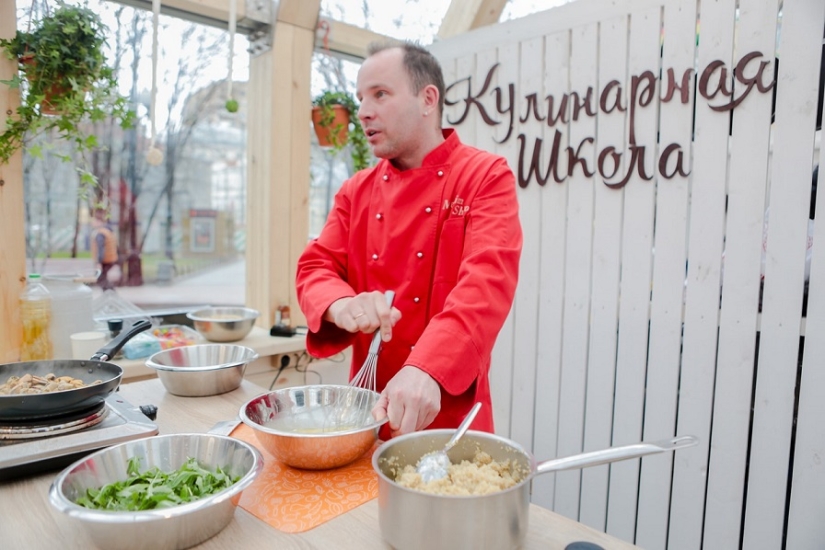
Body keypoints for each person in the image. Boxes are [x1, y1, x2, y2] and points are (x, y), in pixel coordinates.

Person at [295, 41, 523, 439]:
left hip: (448, 413)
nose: (363, 111)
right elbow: (316, 267)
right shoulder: (356, 191)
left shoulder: (484, 176)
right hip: (367, 414)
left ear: (427, 99)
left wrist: (426, 367)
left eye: (380, 94)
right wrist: (342, 304)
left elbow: (486, 284)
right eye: (361, 98)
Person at [90, 209, 119, 291]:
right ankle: (110, 293)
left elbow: (100, 248)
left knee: (100, 278)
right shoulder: (108, 231)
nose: (92, 223)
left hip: (105, 260)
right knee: (102, 278)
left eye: (94, 221)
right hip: (111, 258)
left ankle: (111, 293)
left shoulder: (100, 233)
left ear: (98, 222)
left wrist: (99, 262)